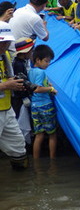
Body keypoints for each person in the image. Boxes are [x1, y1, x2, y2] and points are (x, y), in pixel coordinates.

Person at [0, 20, 28, 170]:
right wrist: (6, 85)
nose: (4, 46)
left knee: (18, 146)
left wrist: (14, 82)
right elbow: (5, 83)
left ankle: (21, 182)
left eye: (6, 42)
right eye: (1, 42)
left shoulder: (5, 57)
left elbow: (8, 77)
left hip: (6, 109)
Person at [28, 45, 57, 159]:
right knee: (52, 135)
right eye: (46, 61)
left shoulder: (31, 71)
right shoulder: (41, 72)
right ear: (37, 60)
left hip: (34, 107)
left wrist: (47, 84)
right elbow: (38, 88)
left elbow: (34, 85)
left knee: (39, 135)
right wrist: (51, 89)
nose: (48, 64)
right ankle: (53, 162)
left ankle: (36, 163)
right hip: (45, 106)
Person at [11, 37, 35, 119]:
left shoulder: (20, 62)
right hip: (19, 99)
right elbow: (20, 82)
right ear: (26, 52)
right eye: (31, 51)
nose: (32, 53)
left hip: (20, 98)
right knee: (22, 121)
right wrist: (24, 97)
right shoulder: (18, 65)